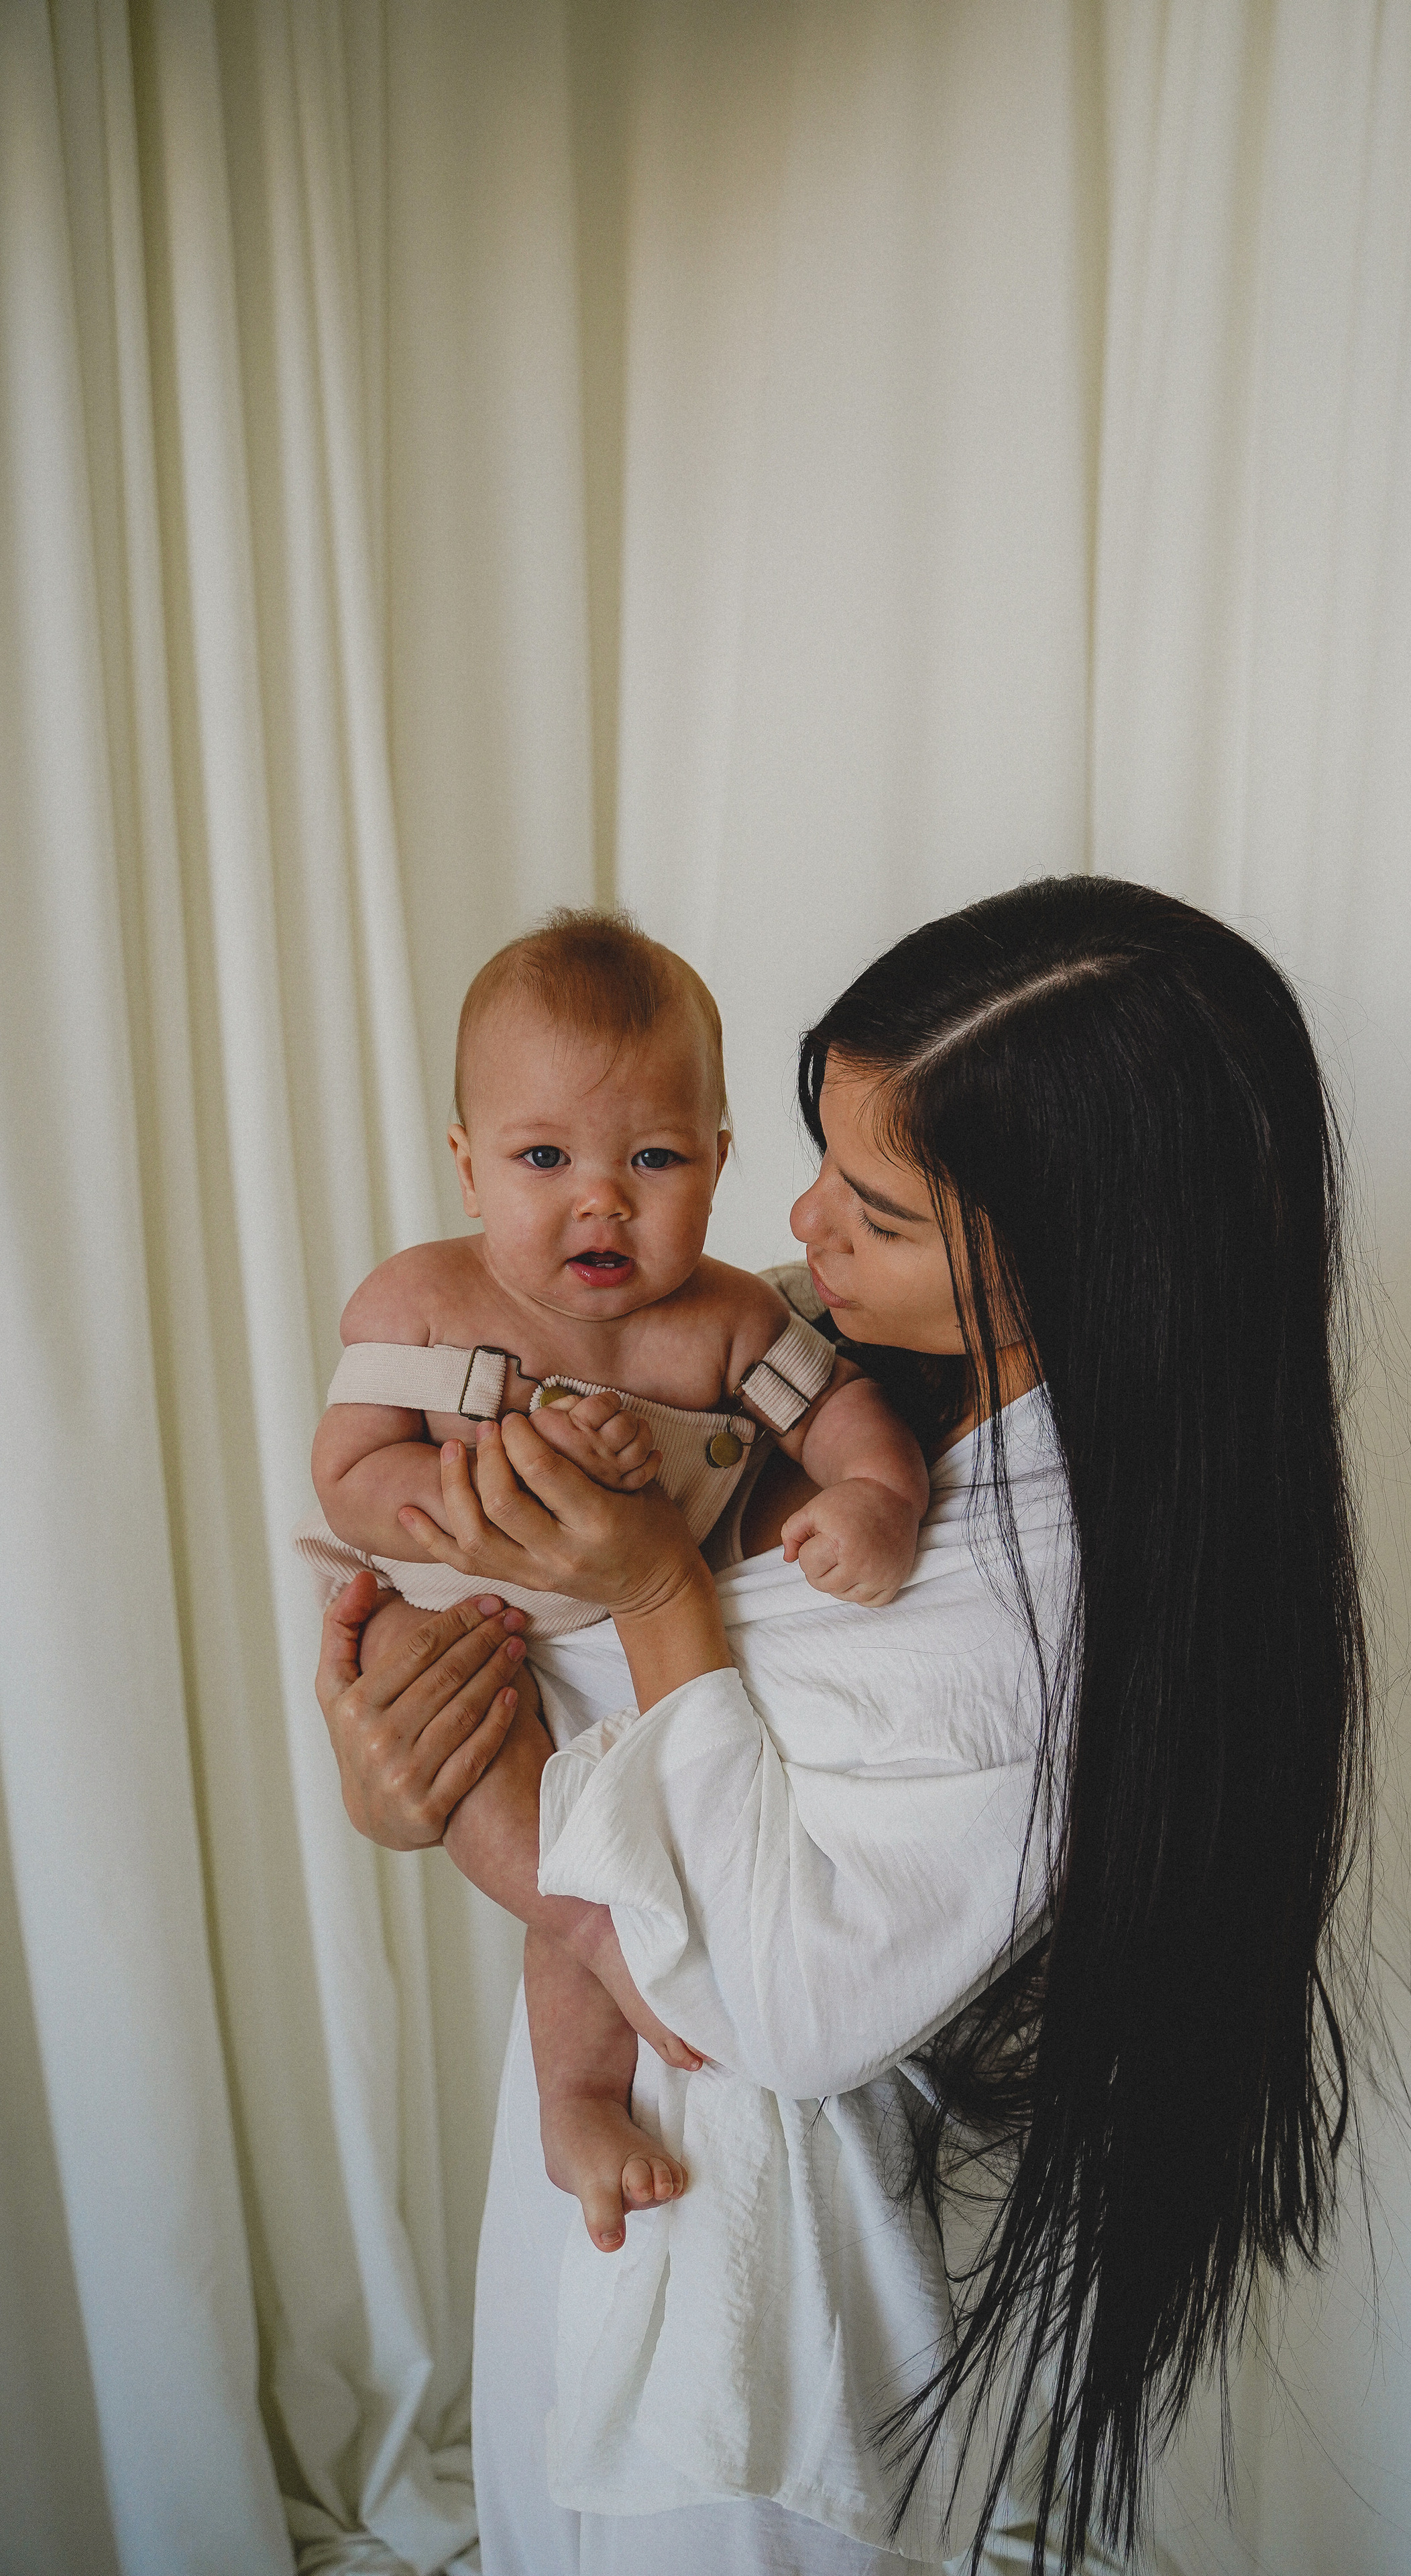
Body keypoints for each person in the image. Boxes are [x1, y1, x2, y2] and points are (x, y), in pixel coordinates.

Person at [316, 877, 1372, 2576]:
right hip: (593, 2159)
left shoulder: (1060, 1609)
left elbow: (792, 2012)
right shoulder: (840, 1363)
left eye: (870, 1209)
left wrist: (656, 1590)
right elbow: (560, 1697)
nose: (796, 1223)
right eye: (816, 1160)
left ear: (1081, 1254)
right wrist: (418, 1774)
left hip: (750, 2279)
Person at [300, 909, 929, 2252]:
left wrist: (876, 1501)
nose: (601, 1198)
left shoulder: (725, 1321)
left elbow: (842, 1424)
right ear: (467, 1167)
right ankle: (587, 1977)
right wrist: (449, 1508)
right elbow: (347, 1467)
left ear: (716, 1160)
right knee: (522, 1826)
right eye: (543, 1158)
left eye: (651, 1157)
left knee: (617, 1834)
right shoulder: (422, 1303)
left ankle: (585, 2075)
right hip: (480, 1621)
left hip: (660, 1659)